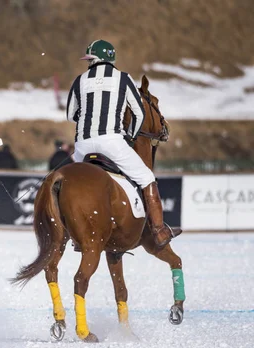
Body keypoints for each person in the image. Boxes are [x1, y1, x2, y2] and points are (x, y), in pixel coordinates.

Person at [66, 39, 181, 247]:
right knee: (147, 177)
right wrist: (129, 137)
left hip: (82, 146)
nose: (88, 63)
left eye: (90, 59)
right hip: (111, 142)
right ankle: (159, 230)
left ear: (97, 59)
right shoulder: (123, 78)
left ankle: (74, 234)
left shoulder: (79, 80)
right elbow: (139, 113)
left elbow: (70, 114)